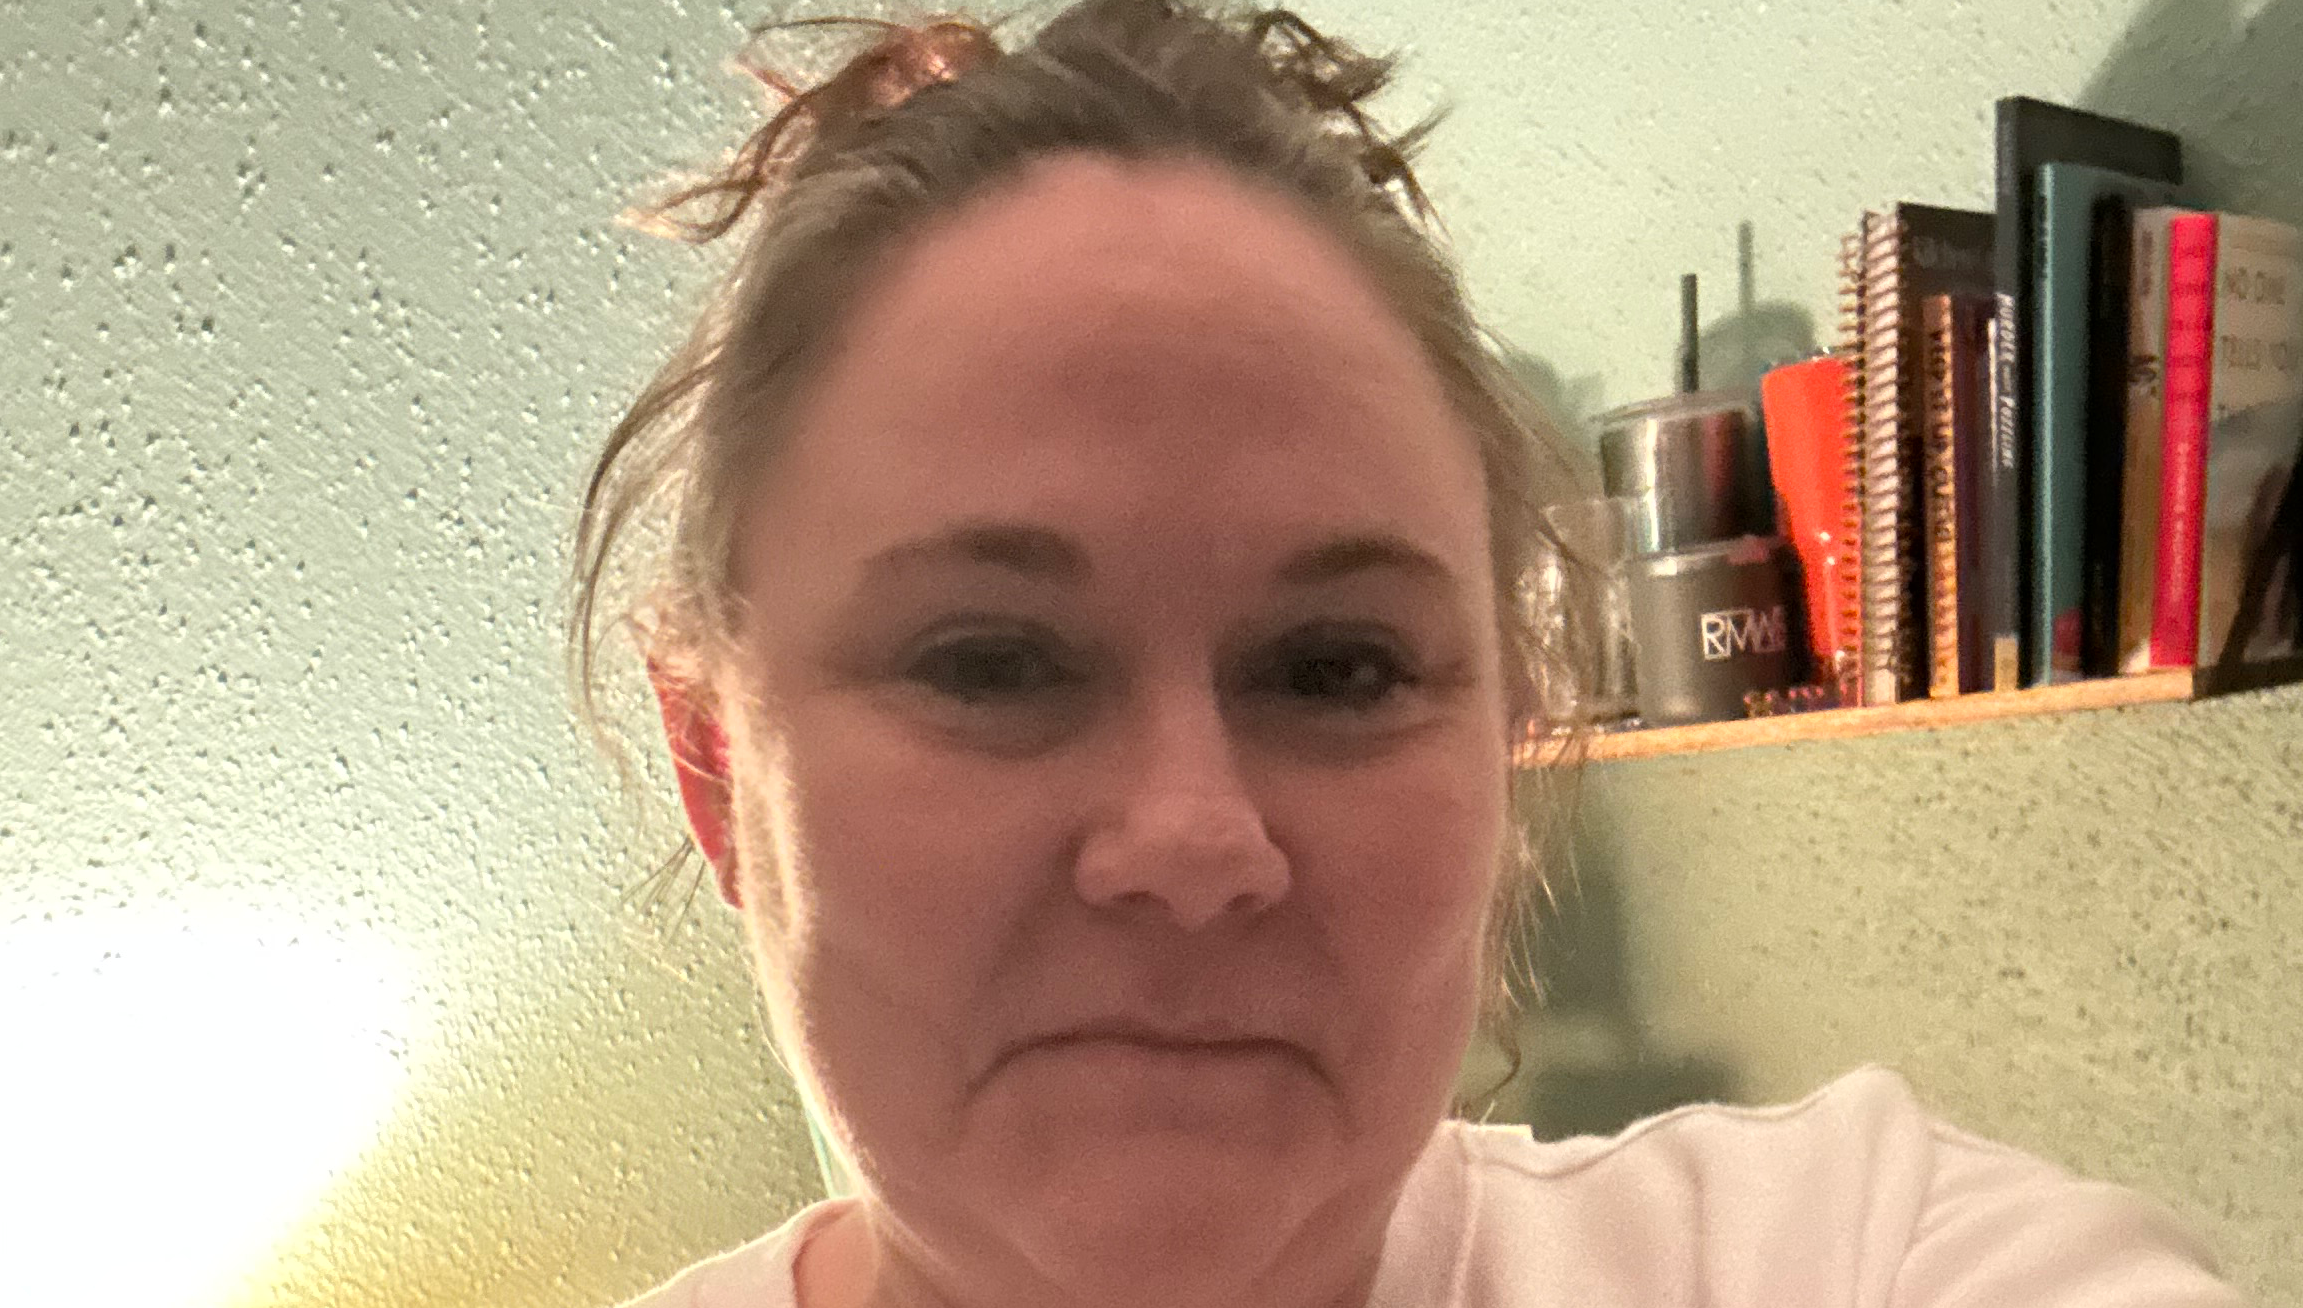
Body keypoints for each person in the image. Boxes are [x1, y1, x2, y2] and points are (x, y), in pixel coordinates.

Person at [570, 2, 2246, 1304]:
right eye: (991, 662)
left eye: (1338, 670)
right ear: (718, 769)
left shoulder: (1855, 1254)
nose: (1192, 844)